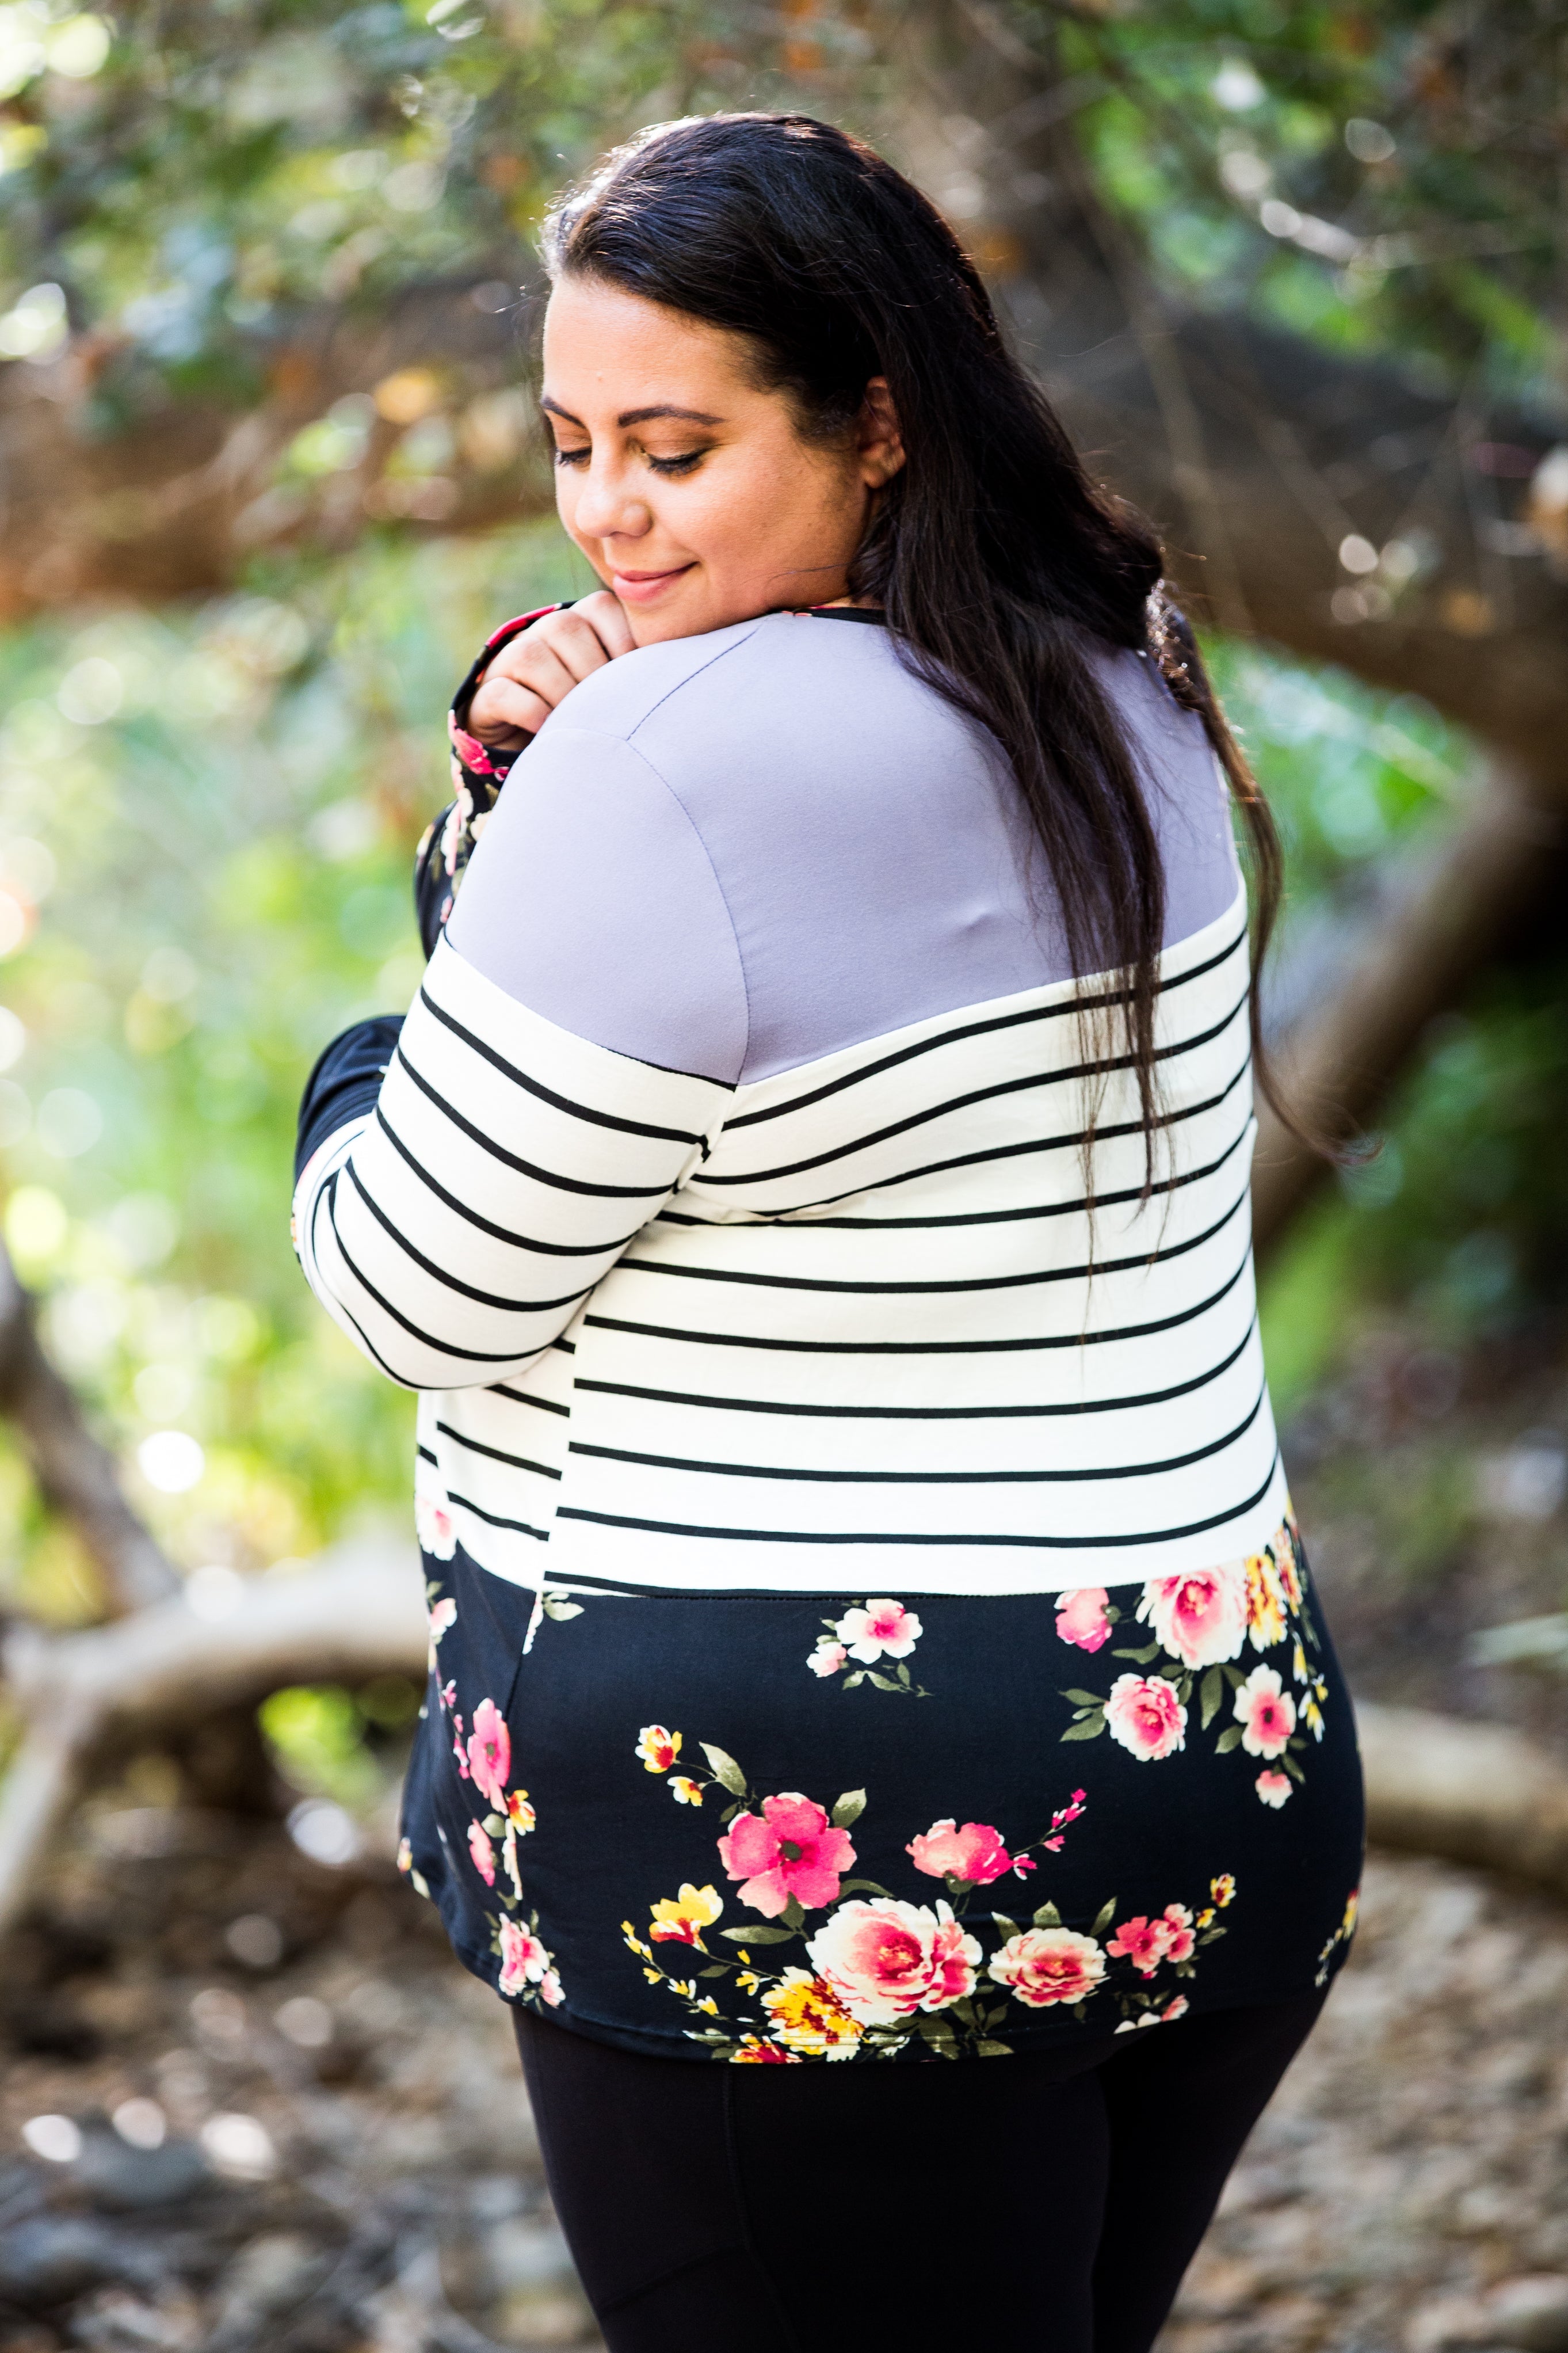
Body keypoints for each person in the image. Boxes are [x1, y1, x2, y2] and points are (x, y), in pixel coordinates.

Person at [293, 111, 1364, 2353]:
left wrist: (354, 1068)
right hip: (1204, 1760)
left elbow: (412, 1274)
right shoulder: (1119, 662)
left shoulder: (673, 753)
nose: (605, 512)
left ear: (871, 419)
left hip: (812, 1843)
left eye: (675, 447)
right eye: (574, 441)